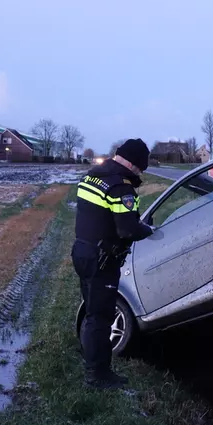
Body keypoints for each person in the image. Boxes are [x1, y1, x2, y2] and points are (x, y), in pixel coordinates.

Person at [72, 138, 155, 389]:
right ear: (132, 163)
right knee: (101, 317)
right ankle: (98, 376)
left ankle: (94, 365)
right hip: (102, 261)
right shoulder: (121, 186)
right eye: (140, 168)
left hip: (83, 252)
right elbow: (127, 229)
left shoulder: (92, 177)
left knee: (91, 313)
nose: (140, 173)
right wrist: (149, 230)